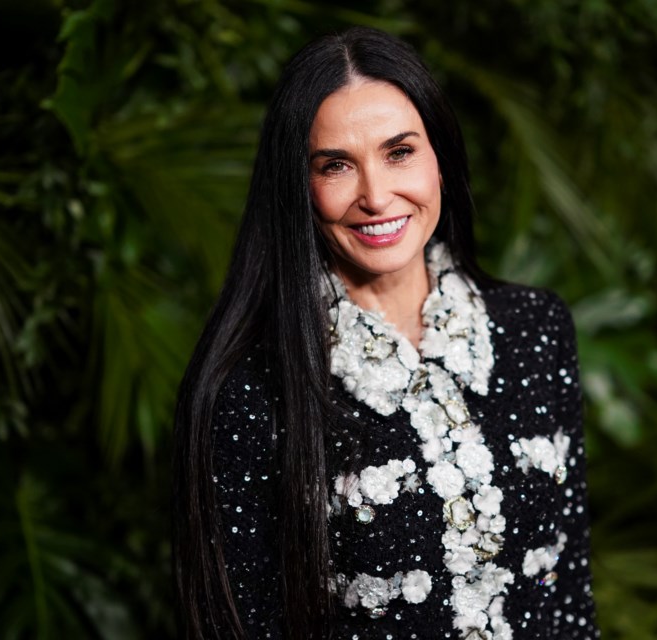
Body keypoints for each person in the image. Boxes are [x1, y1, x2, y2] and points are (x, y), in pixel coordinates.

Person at [173, 26, 598, 640]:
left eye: (400, 152)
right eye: (336, 165)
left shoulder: (536, 328)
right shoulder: (247, 387)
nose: (376, 196)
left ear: (440, 161)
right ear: (300, 189)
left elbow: (570, 596)